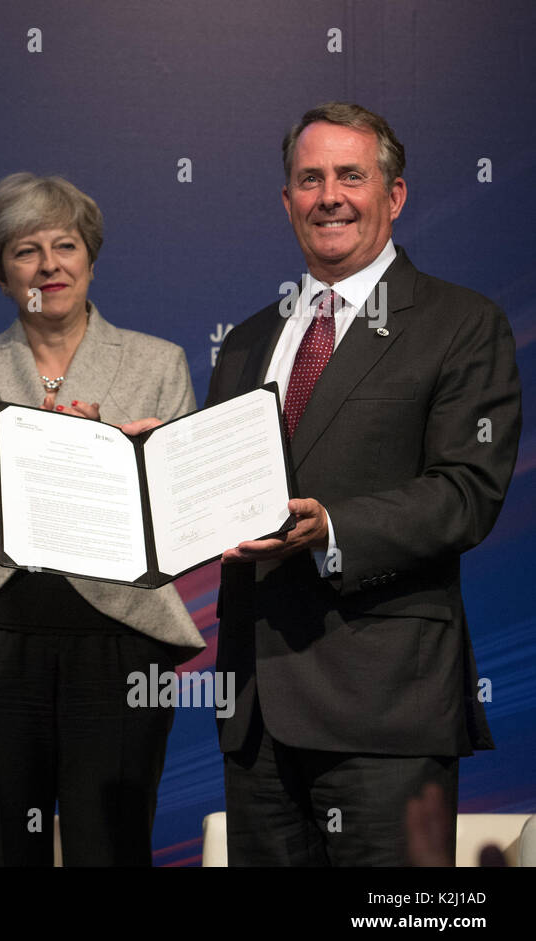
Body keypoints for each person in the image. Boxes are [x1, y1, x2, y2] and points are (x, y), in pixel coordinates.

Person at [207, 102, 521, 866]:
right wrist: (142, 464)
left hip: (387, 710)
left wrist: (335, 528)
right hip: (257, 713)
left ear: (395, 194)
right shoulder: (249, 339)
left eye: (352, 175)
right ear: (287, 203)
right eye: (309, 180)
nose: (330, 196)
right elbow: (217, 492)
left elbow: (465, 492)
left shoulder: (460, 322)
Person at [0, 173, 205, 866]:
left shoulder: (159, 364)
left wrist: (118, 470)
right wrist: (19, 496)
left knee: (112, 852)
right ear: (2, 275)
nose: (48, 266)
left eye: (65, 245)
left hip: (122, 643)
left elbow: (185, 531)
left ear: (91, 260)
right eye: (24, 250)